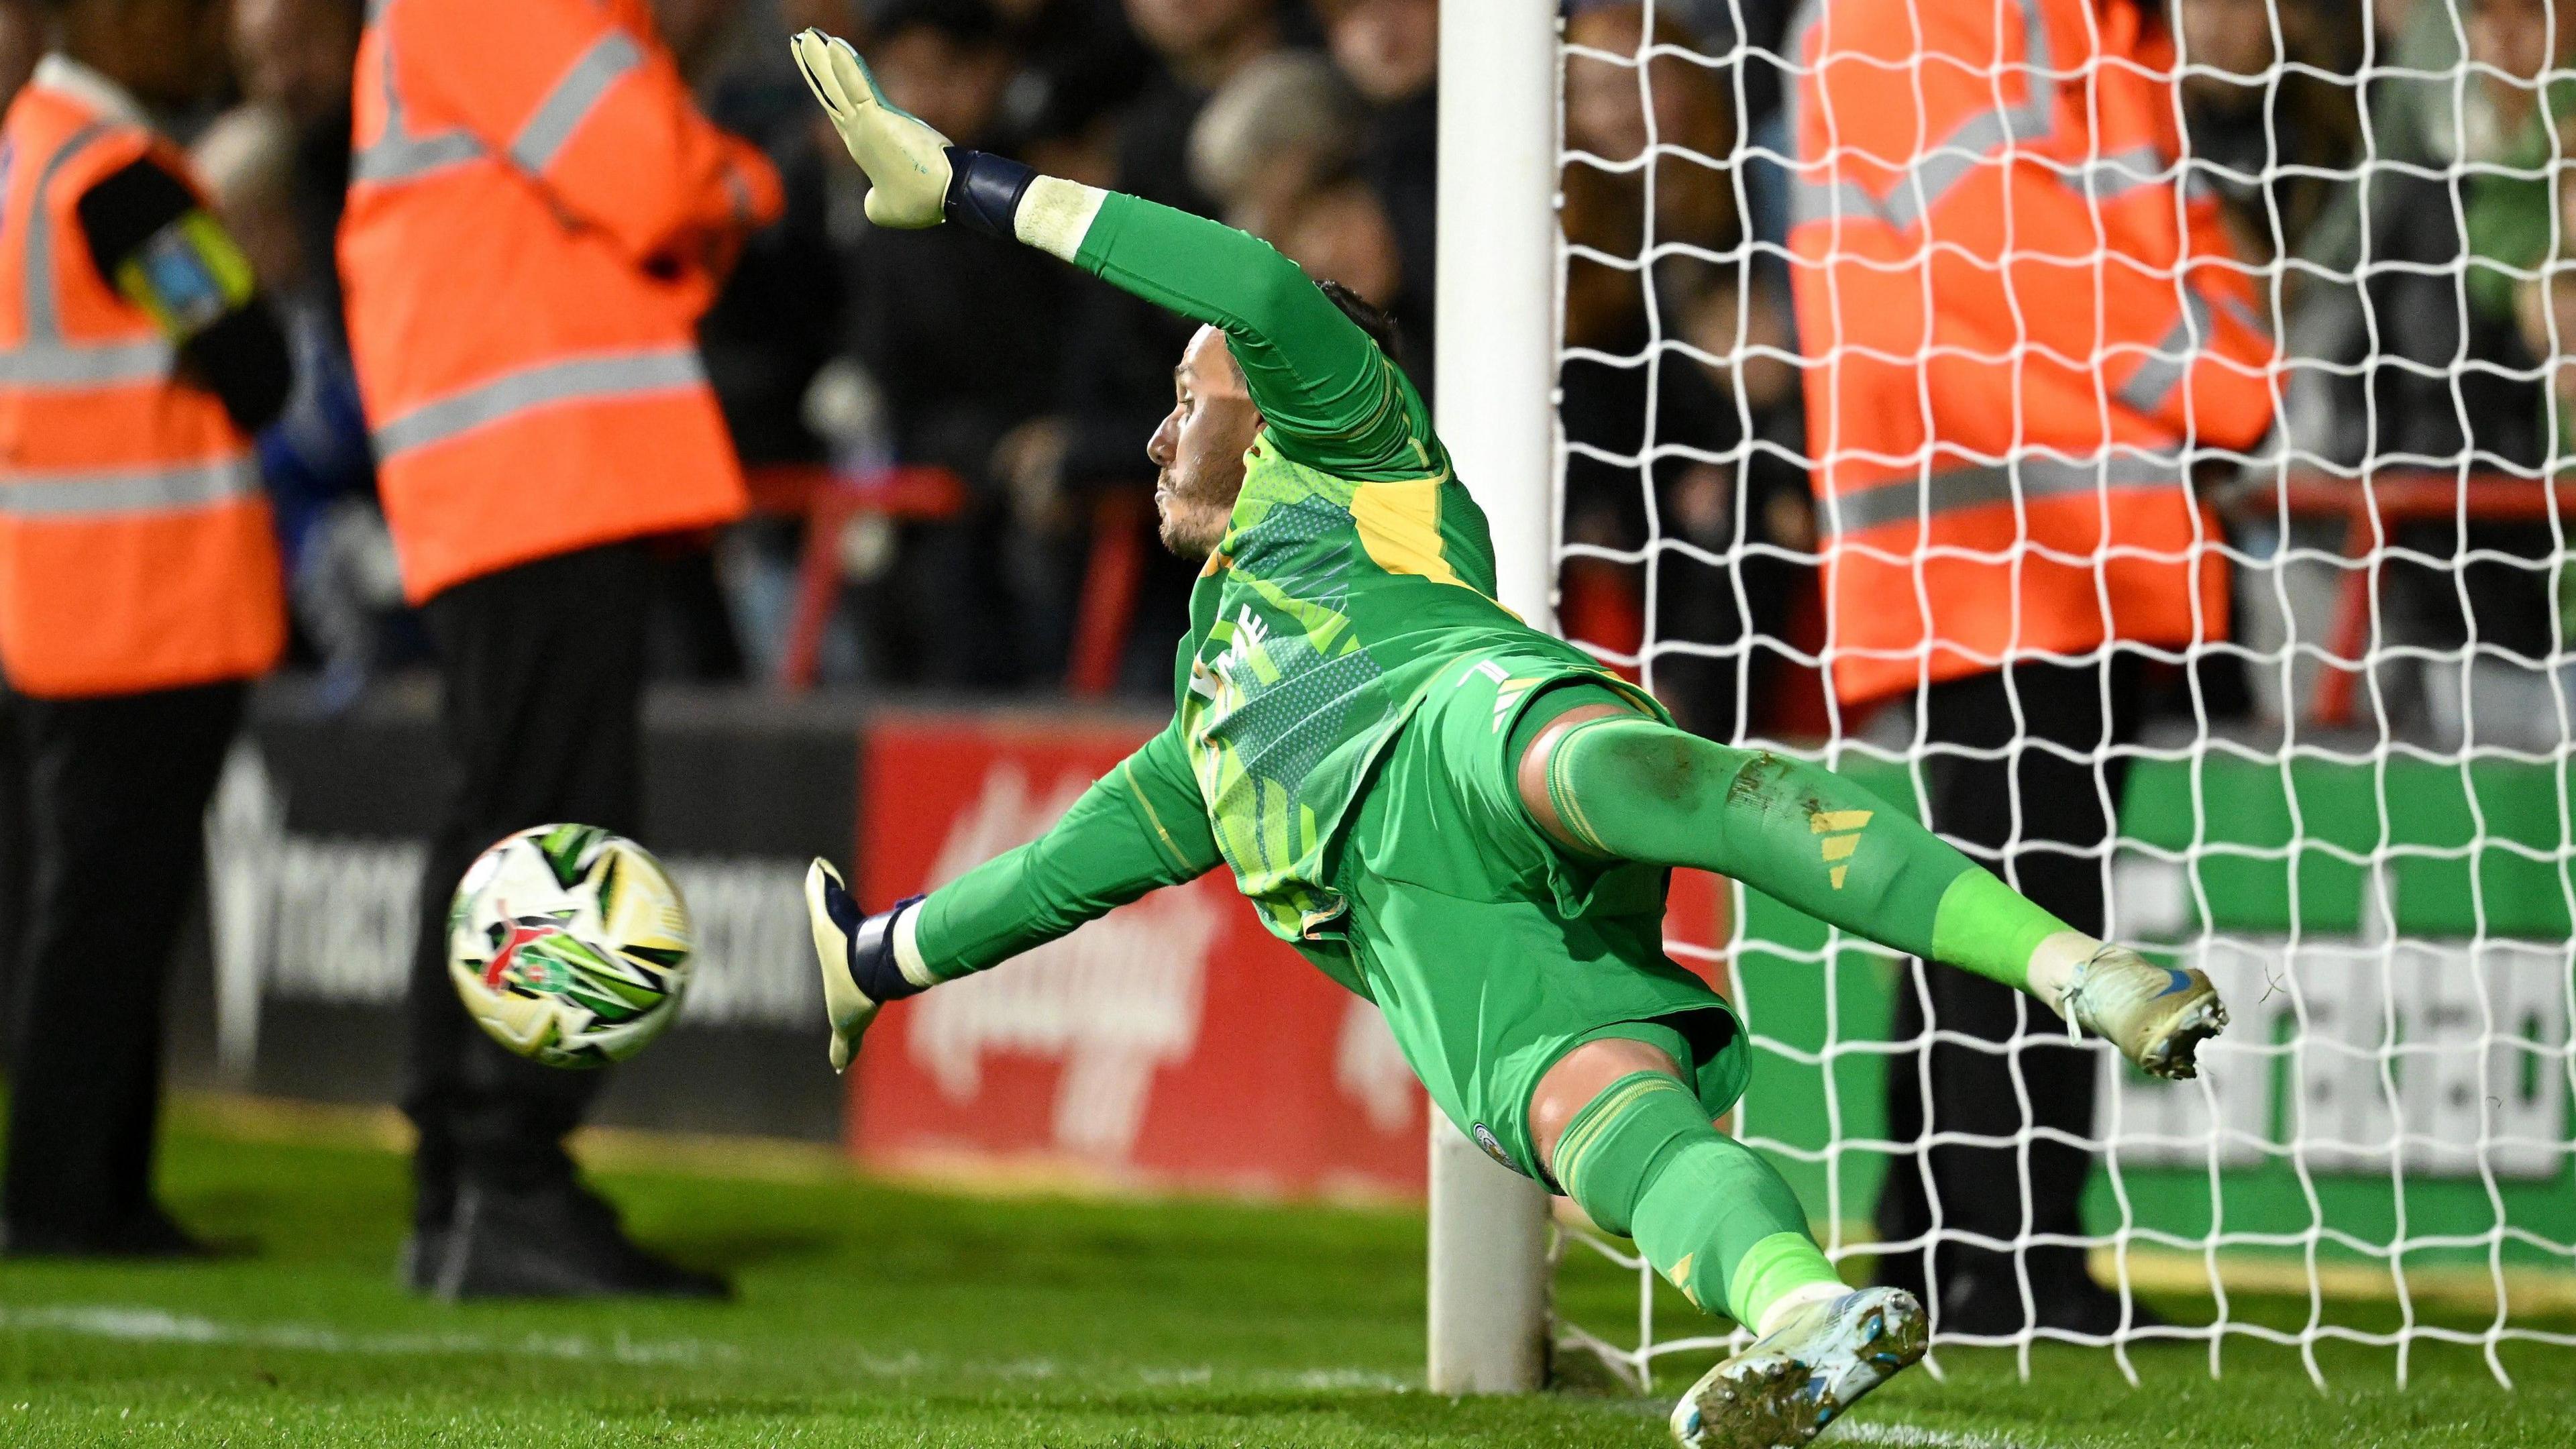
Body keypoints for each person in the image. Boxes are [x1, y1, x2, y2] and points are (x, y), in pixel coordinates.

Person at [785, 29, 2228, 1444]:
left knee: (1634, 772)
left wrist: (974, 188)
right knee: (1608, 1119)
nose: (1161, 436)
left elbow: (1251, 284)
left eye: (1186, 397)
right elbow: (1056, 876)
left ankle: (2083, 968)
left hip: (1467, 731)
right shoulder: (1204, 746)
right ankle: (1801, 1312)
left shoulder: (1355, 459)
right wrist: (879, 958)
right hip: (1440, 940)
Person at [1786, 0, 2277, 1335]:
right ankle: (1987, 1261)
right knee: (2014, 904)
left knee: (2011, 897)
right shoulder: (1946, 16)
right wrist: (2229, 383)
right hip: (2012, 519)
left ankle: (1977, 1252)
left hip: (2052, 517)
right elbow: (2024, 250)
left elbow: (2147, 216)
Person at [338, 0, 780, 1299]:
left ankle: (466, 1190)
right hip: (540, 471)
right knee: (550, 825)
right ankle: (507, 1179)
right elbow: (654, 182)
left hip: (515, 473)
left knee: (504, 818)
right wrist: (747, 177)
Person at [0, 0, 290, 1255]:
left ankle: (99, 1195)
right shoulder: (121, 180)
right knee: (108, 921)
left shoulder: (29, 149)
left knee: (93, 912)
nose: (212, 29)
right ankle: (66, 1200)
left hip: (65, 603)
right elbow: (257, 365)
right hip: (147, 605)